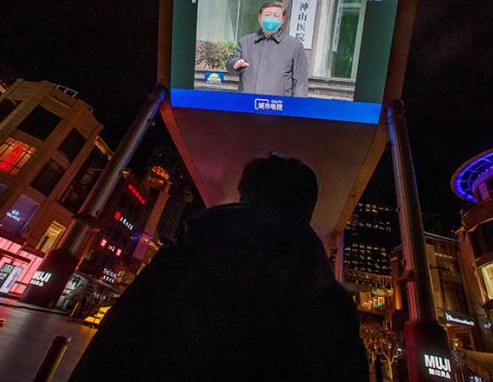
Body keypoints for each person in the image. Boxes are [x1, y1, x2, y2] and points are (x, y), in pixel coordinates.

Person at [70, 153, 368, 381]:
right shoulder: (329, 300)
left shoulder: (184, 258)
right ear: (307, 211)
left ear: (245, 196)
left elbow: (116, 342)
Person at [226, 1, 309, 97]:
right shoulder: (245, 42)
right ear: (260, 18)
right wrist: (235, 64)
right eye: (267, 15)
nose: (271, 19)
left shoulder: (294, 46)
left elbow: (300, 81)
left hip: (278, 106)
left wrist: (298, 107)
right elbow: (230, 65)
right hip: (247, 104)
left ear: (282, 20)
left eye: (276, 16)